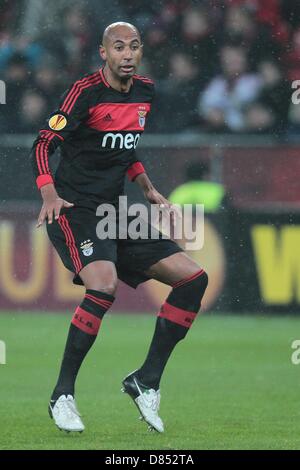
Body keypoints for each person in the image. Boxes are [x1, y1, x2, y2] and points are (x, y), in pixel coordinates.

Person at [30, 22, 208, 434]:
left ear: (141, 51)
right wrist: (48, 194)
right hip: (75, 209)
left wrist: (146, 185)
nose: (127, 54)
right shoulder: (85, 92)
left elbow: (125, 143)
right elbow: (42, 143)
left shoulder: (145, 91)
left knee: (193, 279)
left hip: (115, 209)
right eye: (118, 47)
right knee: (103, 284)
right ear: (103, 53)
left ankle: (145, 380)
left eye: (133, 46)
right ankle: (63, 395)